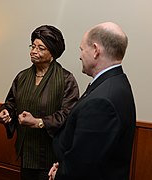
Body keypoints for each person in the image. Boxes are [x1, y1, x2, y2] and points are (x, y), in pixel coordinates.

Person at [48, 22, 136, 180]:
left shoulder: (102, 101)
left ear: (95, 50)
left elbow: (84, 164)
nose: (80, 55)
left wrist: (60, 174)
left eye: (82, 49)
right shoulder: (116, 82)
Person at [0, 25, 79, 180]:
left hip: (51, 154)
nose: (34, 51)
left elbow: (68, 115)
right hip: (27, 151)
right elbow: (11, 103)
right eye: (33, 46)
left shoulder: (66, 79)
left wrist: (39, 122)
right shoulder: (22, 77)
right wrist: (6, 113)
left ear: (53, 53)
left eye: (41, 48)